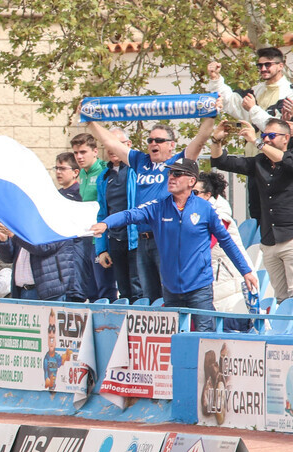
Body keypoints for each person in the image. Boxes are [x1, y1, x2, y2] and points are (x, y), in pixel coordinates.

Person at [90, 158, 257, 332]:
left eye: (177, 174)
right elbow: (129, 215)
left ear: (191, 181)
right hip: (170, 287)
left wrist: (246, 271)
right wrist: (106, 224)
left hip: (199, 287)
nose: (171, 177)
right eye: (170, 173)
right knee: (174, 337)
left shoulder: (205, 208)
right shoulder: (158, 207)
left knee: (205, 337)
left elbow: (226, 241)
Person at [86, 111, 217, 301]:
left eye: (159, 140)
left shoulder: (177, 163)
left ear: (171, 145)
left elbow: (201, 138)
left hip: (164, 236)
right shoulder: (141, 161)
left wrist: (210, 115)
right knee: (148, 296)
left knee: (168, 292)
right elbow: (111, 143)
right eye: (150, 140)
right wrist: (90, 123)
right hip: (142, 239)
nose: (153, 143)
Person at [210, 118, 293, 303]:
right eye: (264, 136)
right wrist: (217, 140)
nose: (267, 140)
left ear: (286, 138)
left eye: (272, 136)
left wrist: (257, 141)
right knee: (281, 298)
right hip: (270, 239)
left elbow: (286, 162)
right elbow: (221, 161)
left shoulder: (289, 158)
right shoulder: (259, 162)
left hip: (290, 238)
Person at [207, 48, 292, 222]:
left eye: (268, 64)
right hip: (257, 162)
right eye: (259, 65)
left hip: (282, 164)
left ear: (280, 66)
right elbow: (232, 104)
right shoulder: (255, 91)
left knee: (283, 212)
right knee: (257, 213)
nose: (263, 69)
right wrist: (216, 79)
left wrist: (253, 110)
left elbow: (276, 129)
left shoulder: (289, 93)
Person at [195, 171, 253, 324]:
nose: (190, 196)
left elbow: (206, 245)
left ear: (208, 195)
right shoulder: (196, 213)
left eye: (195, 192)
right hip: (213, 279)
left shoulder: (221, 216)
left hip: (230, 282)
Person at [95, 128, 143, 302]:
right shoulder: (103, 177)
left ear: (128, 145)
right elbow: (102, 213)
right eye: (107, 145)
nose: (111, 149)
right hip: (115, 240)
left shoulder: (136, 169)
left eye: (116, 144)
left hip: (136, 240)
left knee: (140, 290)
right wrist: (101, 249)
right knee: (124, 291)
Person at [71, 133, 117, 300]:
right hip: (85, 237)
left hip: (101, 237)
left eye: (83, 152)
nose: (79, 156)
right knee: (89, 290)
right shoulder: (82, 174)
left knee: (105, 287)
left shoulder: (104, 171)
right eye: (76, 153)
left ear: (95, 151)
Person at [54, 152, 87, 302]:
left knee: (75, 293)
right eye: (56, 168)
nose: (58, 172)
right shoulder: (55, 194)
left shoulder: (80, 194)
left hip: (75, 248)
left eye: (62, 168)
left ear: (75, 172)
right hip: (58, 252)